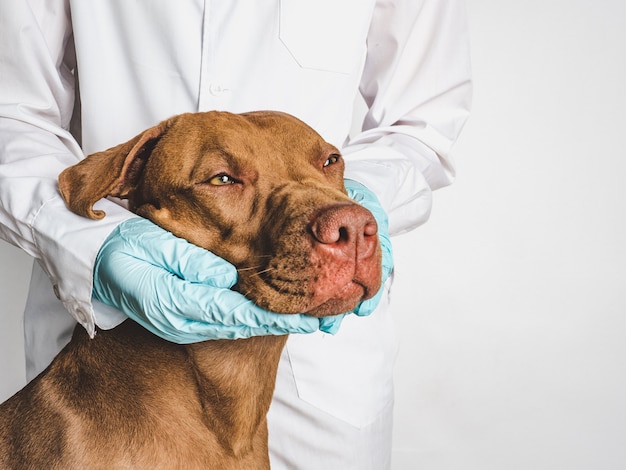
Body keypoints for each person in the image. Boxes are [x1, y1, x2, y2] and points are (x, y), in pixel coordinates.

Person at [0, 1, 471, 468]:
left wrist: (359, 199)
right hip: (113, 371)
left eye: (326, 162)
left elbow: (423, 120)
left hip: (326, 388)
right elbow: (11, 113)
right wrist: (90, 245)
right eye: (223, 179)